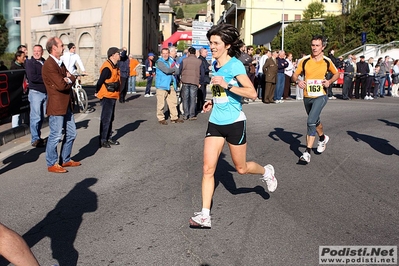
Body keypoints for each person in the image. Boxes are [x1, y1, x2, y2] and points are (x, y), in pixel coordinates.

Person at [189, 23, 277, 229]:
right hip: (216, 123)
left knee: (241, 168)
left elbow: (252, 93)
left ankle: (266, 172)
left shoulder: (235, 65)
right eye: (210, 43)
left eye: (216, 43)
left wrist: (228, 85)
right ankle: (204, 215)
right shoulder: (214, 64)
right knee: (207, 169)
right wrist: (213, 100)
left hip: (235, 123)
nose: (212, 46)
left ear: (227, 45)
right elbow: (221, 92)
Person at [291, 35, 339, 164]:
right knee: (315, 120)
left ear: (323, 47)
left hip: (321, 95)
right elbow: (294, 75)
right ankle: (322, 138)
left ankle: (307, 152)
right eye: (313, 45)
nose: (314, 48)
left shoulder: (327, 61)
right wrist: (298, 81)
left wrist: (329, 81)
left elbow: (337, 73)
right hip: (307, 96)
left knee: (310, 121)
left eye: (317, 45)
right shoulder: (305, 60)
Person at [42, 37, 80, 173]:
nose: (63, 47)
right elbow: (62, 85)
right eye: (61, 45)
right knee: (56, 135)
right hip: (57, 105)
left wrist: (69, 77)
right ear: (54, 48)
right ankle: (52, 163)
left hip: (66, 104)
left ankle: (65, 159)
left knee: (72, 133)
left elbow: (68, 78)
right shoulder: (49, 65)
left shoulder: (59, 62)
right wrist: (70, 78)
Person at [95, 47, 122, 148]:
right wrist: (96, 91)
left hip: (113, 95)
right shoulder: (107, 67)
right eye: (118, 53)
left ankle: (108, 137)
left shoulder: (114, 65)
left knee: (111, 118)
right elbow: (100, 81)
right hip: (107, 96)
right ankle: (103, 139)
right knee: (106, 118)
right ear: (113, 55)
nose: (119, 55)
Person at [25, 44, 47, 147]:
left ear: (42, 52)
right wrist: (46, 79)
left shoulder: (45, 62)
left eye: (38, 51)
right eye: (35, 51)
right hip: (35, 93)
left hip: (45, 93)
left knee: (42, 117)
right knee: (35, 117)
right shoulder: (30, 63)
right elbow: (32, 77)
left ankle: (38, 137)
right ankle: (34, 139)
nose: (36, 53)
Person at [154, 48, 184, 125]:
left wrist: (173, 70)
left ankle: (174, 117)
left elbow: (177, 71)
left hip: (171, 84)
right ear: (161, 54)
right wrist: (173, 70)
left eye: (167, 53)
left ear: (169, 53)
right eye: (163, 53)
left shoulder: (171, 61)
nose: (165, 55)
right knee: (161, 104)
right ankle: (161, 118)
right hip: (162, 85)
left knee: (173, 102)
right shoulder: (159, 62)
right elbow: (166, 71)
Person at [180, 47, 202, 120]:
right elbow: (201, 72)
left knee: (185, 98)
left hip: (185, 81)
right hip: (194, 81)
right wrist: (199, 81)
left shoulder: (184, 60)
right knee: (193, 99)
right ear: (195, 53)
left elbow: (179, 70)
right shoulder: (199, 61)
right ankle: (191, 114)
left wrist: (180, 79)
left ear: (188, 53)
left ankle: (186, 114)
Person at [10, 50, 26, 128]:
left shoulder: (23, 66)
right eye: (23, 57)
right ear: (18, 57)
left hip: (22, 93)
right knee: (16, 113)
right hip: (16, 93)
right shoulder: (13, 68)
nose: (25, 59)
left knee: (22, 111)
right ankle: (15, 128)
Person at [198, 48, 211, 112]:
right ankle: (200, 107)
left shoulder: (204, 60)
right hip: (202, 79)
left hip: (205, 79)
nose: (207, 53)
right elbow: (202, 70)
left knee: (203, 94)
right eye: (205, 52)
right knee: (201, 94)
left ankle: (201, 106)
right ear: (201, 52)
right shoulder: (200, 60)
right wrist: (208, 68)